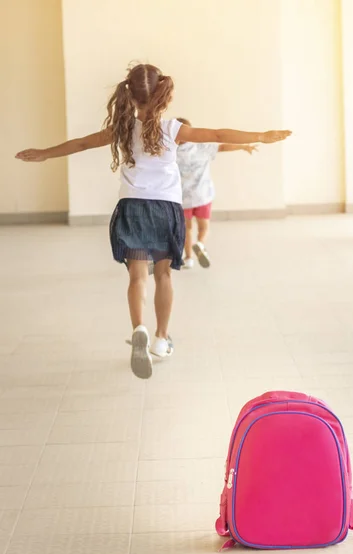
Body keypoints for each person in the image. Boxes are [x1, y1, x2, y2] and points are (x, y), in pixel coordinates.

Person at [15, 63, 292, 380]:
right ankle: (161, 339)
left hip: (132, 207)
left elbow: (80, 143)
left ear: (129, 95)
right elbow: (215, 135)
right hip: (165, 208)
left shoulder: (122, 129)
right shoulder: (173, 129)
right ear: (161, 94)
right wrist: (261, 135)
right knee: (163, 276)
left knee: (136, 277)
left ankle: (139, 329)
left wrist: (44, 153)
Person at [176, 118, 258, 269]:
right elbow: (223, 147)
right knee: (204, 227)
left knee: (186, 229)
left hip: (182, 199)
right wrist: (243, 146)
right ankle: (200, 244)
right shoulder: (201, 146)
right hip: (203, 195)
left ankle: (188, 258)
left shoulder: (170, 151)